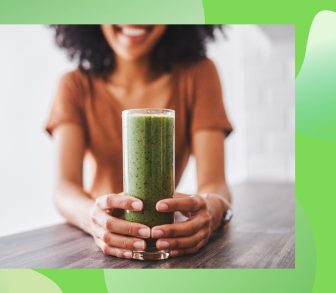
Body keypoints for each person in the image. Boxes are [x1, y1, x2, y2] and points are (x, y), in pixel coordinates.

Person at [46, 25, 233, 259]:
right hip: (101, 243)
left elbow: (214, 182)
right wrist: (93, 219)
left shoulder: (198, 74)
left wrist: (211, 213)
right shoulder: (75, 85)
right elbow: (65, 187)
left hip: (163, 236)